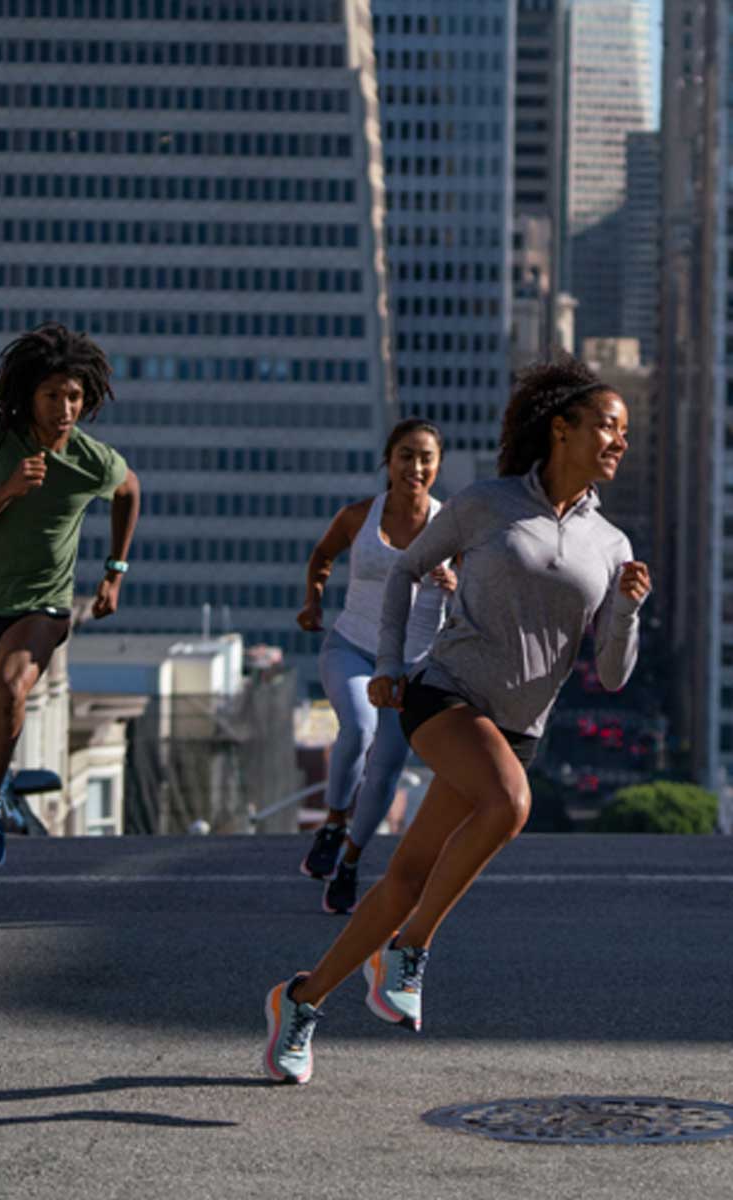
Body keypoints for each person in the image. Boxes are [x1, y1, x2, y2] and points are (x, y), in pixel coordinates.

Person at [264, 356, 651, 1084]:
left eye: (625, 432)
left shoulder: (612, 546)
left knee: (408, 874)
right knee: (509, 805)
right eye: (607, 425)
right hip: (443, 694)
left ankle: (301, 1001)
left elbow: (610, 672)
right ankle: (410, 951)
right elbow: (408, 570)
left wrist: (627, 610)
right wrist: (387, 664)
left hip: (517, 727)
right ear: (561, 430)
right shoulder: (487, 503)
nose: (619, 441)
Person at [0, 323, 140, 899]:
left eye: (74, 396)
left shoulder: (89, 460)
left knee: (11, 688)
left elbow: (129, 490)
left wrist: (114, 572)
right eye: (53, 395)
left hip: (43, 607)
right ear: (30, 395)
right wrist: (6, 492)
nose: (64, 407)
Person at [296, 418, 457, 914]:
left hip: (414, 667)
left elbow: (481, 591)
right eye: (405, 455)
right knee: (359, 728)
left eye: (426, 457)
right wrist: (313, 602)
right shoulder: (358, 517)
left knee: (386, 769)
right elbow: (322, 556)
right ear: (388, 461)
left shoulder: (452, 526)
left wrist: (455, 584)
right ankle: (333, 821)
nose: (415, 466)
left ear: (438, 465)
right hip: (353, 648)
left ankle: (350, 861)